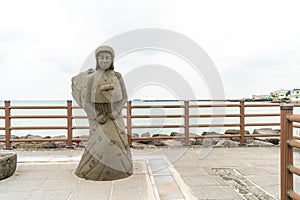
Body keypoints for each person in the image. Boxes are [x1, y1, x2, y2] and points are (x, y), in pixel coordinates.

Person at [71, 46, 133, 181]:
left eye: (108, 58)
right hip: (98, 116)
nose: (104, 60)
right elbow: (86, 101)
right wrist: (96, 115)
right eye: (101, 57)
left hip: (114, 116)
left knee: (118, 142)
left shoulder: (117, 76)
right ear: (97, 60)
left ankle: (122, 169)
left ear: (112, 60)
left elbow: (124, 98)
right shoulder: (91, 77)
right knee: (100, 144)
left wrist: (116, 112)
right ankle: (91, 171)